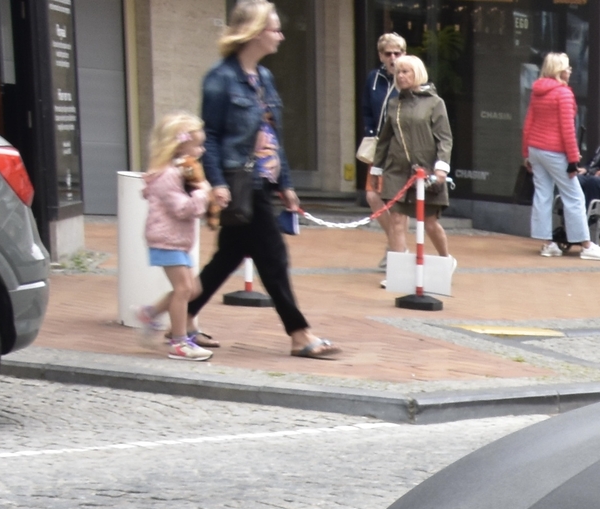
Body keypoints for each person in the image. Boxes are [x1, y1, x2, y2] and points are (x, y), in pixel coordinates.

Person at [187, 1, 337, 360]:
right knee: (273, 256)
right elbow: (210, 138)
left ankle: (181, 317)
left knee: (228, 257)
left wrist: (284, 183)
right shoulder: (220, 79)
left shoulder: (264, 79)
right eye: (274, 29)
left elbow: (272, 135)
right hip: (241, 185)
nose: (281, 36)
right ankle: (299, 334)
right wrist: (218, 183)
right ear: (253, 32)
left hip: (263, 182)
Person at [135, 113, 210, 361]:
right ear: (179, 145)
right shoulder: (168, 176)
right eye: (197, 145)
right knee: (184, 288)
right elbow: (182, 208)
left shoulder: (181, 172)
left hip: (177, 241)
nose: (201, 150)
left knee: (193, 288)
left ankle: (150, 313)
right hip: (166, 240)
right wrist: (202, 193)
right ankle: (179, 342)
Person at [525, 51, 600, 260]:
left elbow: (528, 123)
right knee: (574, 195)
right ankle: (586, 244)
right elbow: (567, 130)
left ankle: (548, 243)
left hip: (536, 149)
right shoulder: (563, 93)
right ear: (559, 70)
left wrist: (526, 153)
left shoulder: (537, 91)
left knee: (543, 194)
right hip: (554, 151)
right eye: (568, 67)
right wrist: (573, 160)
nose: (570, 70)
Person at [369, 53, 452, 264]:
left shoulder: (435, 103)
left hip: (426, 171)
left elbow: (444, 138)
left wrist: (441, 167)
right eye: (398, 72)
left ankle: (445, 259)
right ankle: (396, 269)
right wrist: (376, 169)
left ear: (417, 73)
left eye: (406, 72)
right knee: (396, 219)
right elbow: (385, 139)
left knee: (430, 222)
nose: (401, 76)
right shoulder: (394, 104)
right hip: (397, 170)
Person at [362, 31, 404, 264]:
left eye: (397, 53)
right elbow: (367, 108)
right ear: (380, 55)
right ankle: (395, 243)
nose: (393, 57)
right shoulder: (374, 78)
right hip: (378, 146)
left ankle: (396, 250)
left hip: (400, 148)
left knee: (397, 201)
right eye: (388, 53)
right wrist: (370, 133)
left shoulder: (407, 77)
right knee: (372, 195)